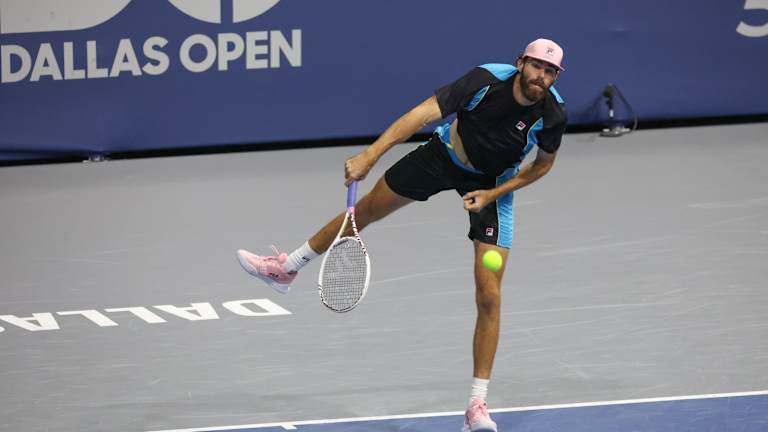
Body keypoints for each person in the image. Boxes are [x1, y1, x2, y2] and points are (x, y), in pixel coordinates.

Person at [237, 38, 567, 432]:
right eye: (536, 67)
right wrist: (370, 154)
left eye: (550, 72)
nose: (541, 77)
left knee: (489, 295)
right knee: (365, 213)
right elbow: (422, 113)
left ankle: (476, 407)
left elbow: (542, 166)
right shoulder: (485, 80)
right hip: (443, 155)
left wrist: (493, 194)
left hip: (493, 183)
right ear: (520, 63)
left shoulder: (553, 114)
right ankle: (286, 268)